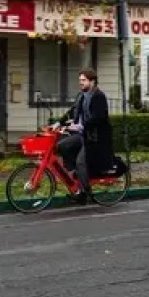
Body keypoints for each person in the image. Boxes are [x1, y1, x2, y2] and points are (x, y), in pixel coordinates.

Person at [56, 68, 111, 204]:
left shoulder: (99, 96)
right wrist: (59, 122)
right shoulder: (81, 95)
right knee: (62, 145)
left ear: (92, 81)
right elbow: (72, 110)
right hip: (82, 134)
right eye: (80, 80)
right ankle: (77, 173)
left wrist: (81, 126)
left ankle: (85, 192)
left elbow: (98, 118)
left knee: (81, 161)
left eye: (83, 80)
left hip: (95, 138)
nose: (80, 83)